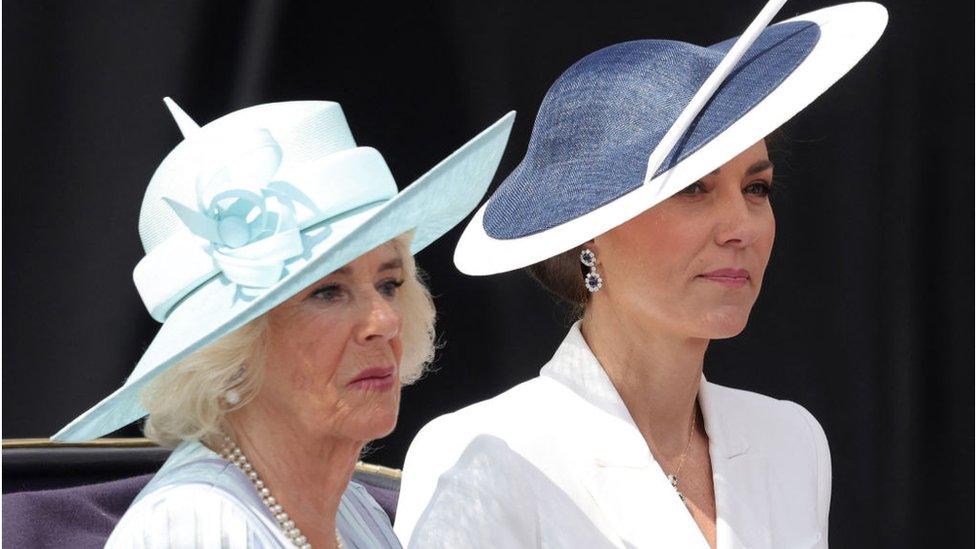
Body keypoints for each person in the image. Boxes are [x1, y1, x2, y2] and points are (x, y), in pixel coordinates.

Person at [395, 2, 887, 548]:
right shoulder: (486, 452)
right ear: (588, 230)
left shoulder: (791, 442)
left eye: (756, 189)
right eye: (692, 189)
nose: (740, 227)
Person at [52, 98, 514, 548]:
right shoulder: (197, 526)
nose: (385, 320)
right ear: (231, 348)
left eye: (389, 283)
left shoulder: (355, 513)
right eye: (328, 292)